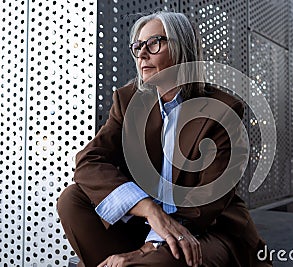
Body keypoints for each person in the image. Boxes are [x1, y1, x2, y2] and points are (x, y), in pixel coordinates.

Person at [57, 11, 272, 267]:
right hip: (142, 224)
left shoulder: (222, 110)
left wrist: (146, 249)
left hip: (204, 229)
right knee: (72, 199)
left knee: (164, 262)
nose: (142, 55)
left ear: (182, 49)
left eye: (154, 43)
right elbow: (89, 161)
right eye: (138, 46)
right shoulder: (129, 102)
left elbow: (207, 202)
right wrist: (148, 209)